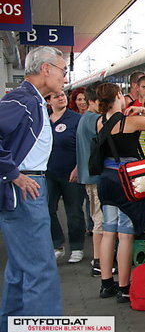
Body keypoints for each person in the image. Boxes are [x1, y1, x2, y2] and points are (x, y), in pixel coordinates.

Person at [0, 46, 67, 329]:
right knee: (41, 269)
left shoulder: (34, 101)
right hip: (27, 188)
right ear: (46, 69)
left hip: (28, 185)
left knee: (20, 268)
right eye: (63, 71)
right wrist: (13, 173)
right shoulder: (23, 100)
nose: (65, 77)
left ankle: (9, 323)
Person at [95, 83, 145, 303]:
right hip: (128, 182)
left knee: (108, 231)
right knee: (126, 235)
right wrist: (143, 110)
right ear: (119, 96)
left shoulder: (100, 122)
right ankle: (123, 287)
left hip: (106, 179)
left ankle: (106, 283)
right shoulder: (130, 121)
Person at [46, 91, 87, 263]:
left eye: (62, 95)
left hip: (71, 174)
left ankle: (77, 246)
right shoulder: (44, 120)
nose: (61, 98)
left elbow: (83, 146)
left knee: (74, 211)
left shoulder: (76, 119)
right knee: (47, 209)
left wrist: (78, 168)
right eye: (56, 96)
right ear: (49, 101)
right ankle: (57, 243)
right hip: (48, 173)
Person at [75, 82, 106, 277]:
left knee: (98, 217)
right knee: (100, 220)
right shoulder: (95, 119)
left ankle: (100, 259)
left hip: (90, 175)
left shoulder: (85, 118)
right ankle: (98, 261)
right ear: (94, 101)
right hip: (96, 176)